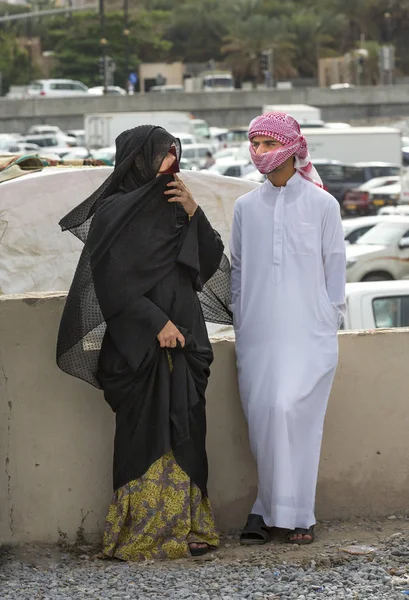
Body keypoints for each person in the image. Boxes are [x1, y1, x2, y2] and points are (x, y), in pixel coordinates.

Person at [56, 125, 231, 561]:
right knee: (143, 435)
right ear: (138, 160)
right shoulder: (114, 212)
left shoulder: (175, 205)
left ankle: (190, 528)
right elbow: (111, 283)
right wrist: (156, 322)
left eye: (175, 153)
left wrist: (194, 213)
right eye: (163, 155)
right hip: (142, 347)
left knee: (189, 430)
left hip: (186, 342)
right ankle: (142, 533)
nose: (173, 163)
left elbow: (207, 263)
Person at [230, 112, 346, 545]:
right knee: (264, 418)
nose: (257, 152)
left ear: (289, 148)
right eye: (253, 144)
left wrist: (327, 318)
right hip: (258, 333)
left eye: (264, 143)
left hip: (308, 333)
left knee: (292, 414)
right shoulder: (245, 206)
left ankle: (299, 512)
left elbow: (335, 267)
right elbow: (238, 269)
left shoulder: (322, 204)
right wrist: (243, 320)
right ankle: (267, 508)